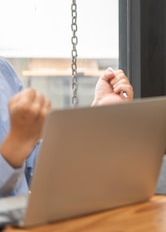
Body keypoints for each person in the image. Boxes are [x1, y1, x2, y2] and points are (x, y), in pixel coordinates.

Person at [0, 58, 133, 196]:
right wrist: (16, 146)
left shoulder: (4, 71)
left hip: (25, 215)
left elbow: (36, 165)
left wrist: (98, 120)